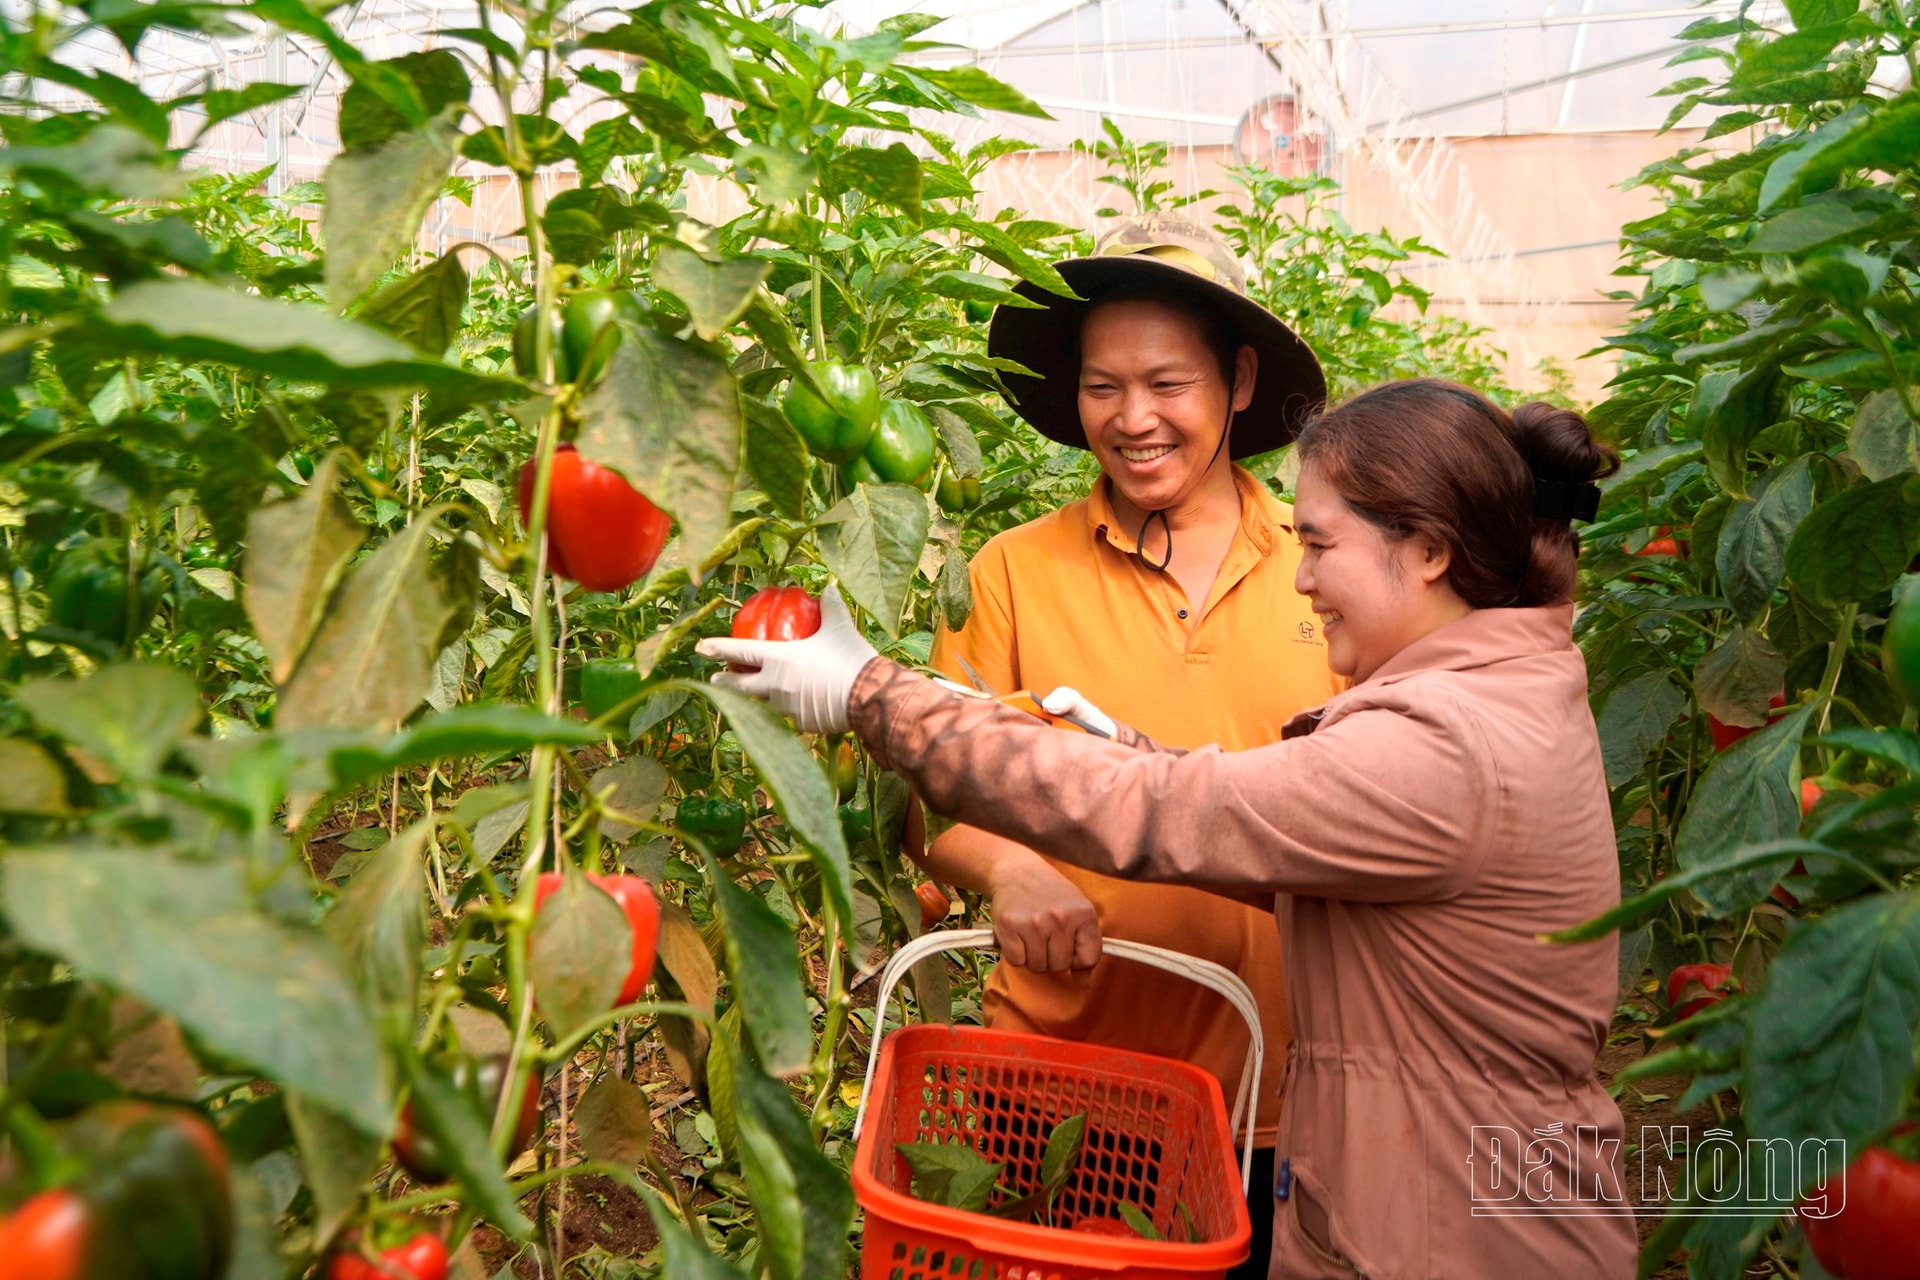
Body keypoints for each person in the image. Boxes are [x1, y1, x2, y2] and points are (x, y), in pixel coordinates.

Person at [698, 379, 1638, 1279]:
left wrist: (874, 695)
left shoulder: (1447, 744)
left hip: (1450, 1233)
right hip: (1442, 1204)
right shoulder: (1490, 697)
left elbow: (1168, 816)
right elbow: (1280, 844)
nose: (1304, 579)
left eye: (1321, 545)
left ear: (1429, 549)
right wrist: (1136, 750)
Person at [913, 212, 1335, 1273]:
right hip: (1056, 1081)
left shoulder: (1326, 567)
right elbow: (929, 794)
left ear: (1238, 380)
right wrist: (1008, 865)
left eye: (1168, 384)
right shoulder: (1012, 570)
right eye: (1105, 387)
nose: (1134, 419)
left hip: (1279, 1092)